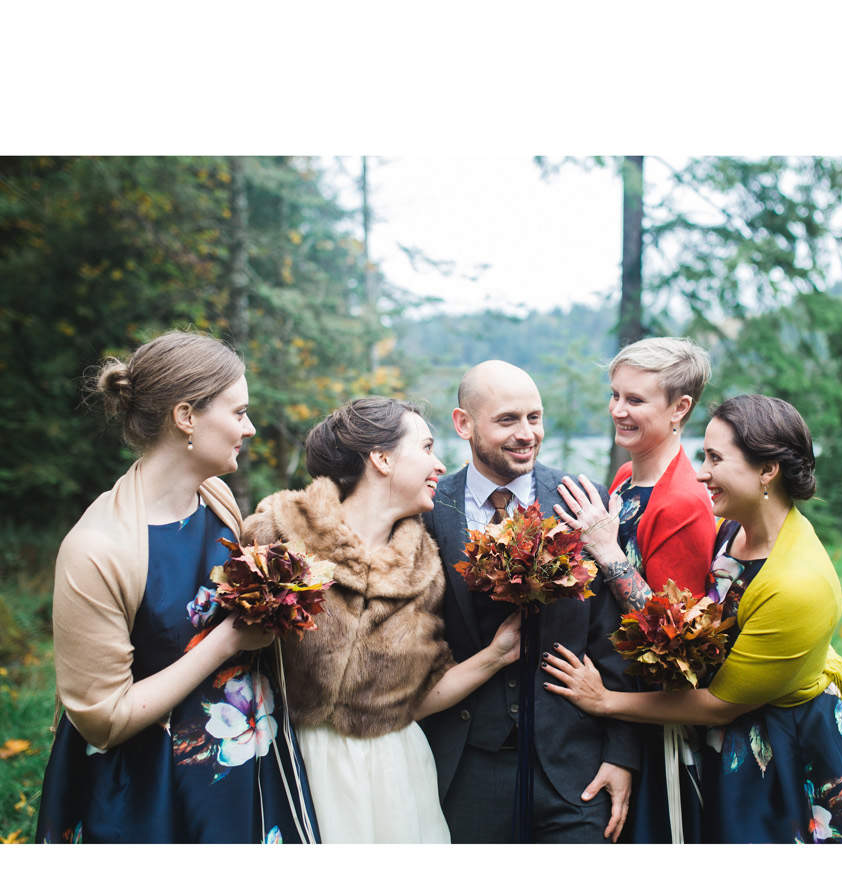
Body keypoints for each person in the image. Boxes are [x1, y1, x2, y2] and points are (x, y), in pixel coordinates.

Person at [542, 394, 842, 844]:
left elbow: (719, 703)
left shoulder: (797, 584)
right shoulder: (737, 527)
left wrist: (605, 701)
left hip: (796, 750)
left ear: (766, 470)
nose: (701, 472)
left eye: (716, 458)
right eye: (703, 455)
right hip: (744, 736)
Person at [36, 331, 317, 844]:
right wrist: (227, 642)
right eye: (238, 413)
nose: (250, 428)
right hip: (148, 789)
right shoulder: (97, 549)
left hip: (244, 764)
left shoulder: (217, 498)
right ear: (186, 417)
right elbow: (104, 719)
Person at [239, 398, 521, 842]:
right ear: (382, 459)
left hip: (395, 775)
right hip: (290, 759)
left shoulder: (426, 568)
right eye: (426, 447)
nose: (439, 463)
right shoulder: (276, 535)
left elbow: (417, 699)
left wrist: (496, 656)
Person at [420, 360, 640, 843]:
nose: (526, 434)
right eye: (507, 420)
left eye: (534, 418)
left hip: (573, 771)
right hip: (465, 768)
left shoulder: (579, 499)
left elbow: (615, 636)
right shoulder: (430, 509)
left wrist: (620, 754)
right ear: (464, 424)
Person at [551, 336, 715, 843]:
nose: (618, 410)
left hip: (657, 726)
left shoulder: (682, 502)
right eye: (615, 394)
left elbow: (678, 646)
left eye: (636, 400)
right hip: (610, 692)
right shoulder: (625, 477)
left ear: (679, 408)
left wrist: (608, 550)